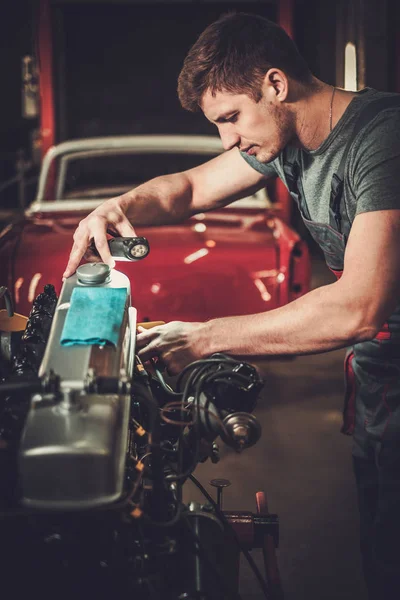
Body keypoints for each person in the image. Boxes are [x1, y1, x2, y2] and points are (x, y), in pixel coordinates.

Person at [63, 12, 400, 599]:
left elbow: (359, 306)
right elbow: (189, 189)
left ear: (275, 84)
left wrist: (205, 336)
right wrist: (116, 208)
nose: (227, 139)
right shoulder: (285, 140)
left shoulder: (383, 140)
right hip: (380, 385)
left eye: (230, 119)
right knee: (381, 546)